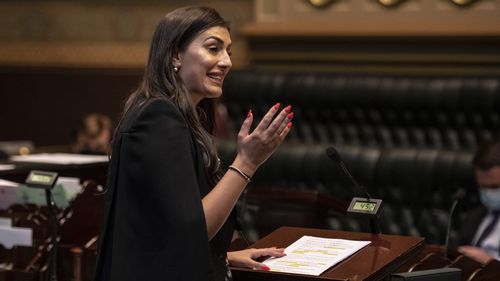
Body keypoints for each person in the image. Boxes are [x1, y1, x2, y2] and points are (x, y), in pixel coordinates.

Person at [94, 6, 293, 281]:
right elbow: (192, 227)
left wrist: (224, 256)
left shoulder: (173, 114)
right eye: (214, 49)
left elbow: (161, 227)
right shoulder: (158, 117)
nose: (226, 62)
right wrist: (247, 162)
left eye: (228, 52)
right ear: (175, 54)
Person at [457, 140, 500, 264]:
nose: (488, 193)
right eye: (483, 187)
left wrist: (491, 264)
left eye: (494, 187)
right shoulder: (473, 217)